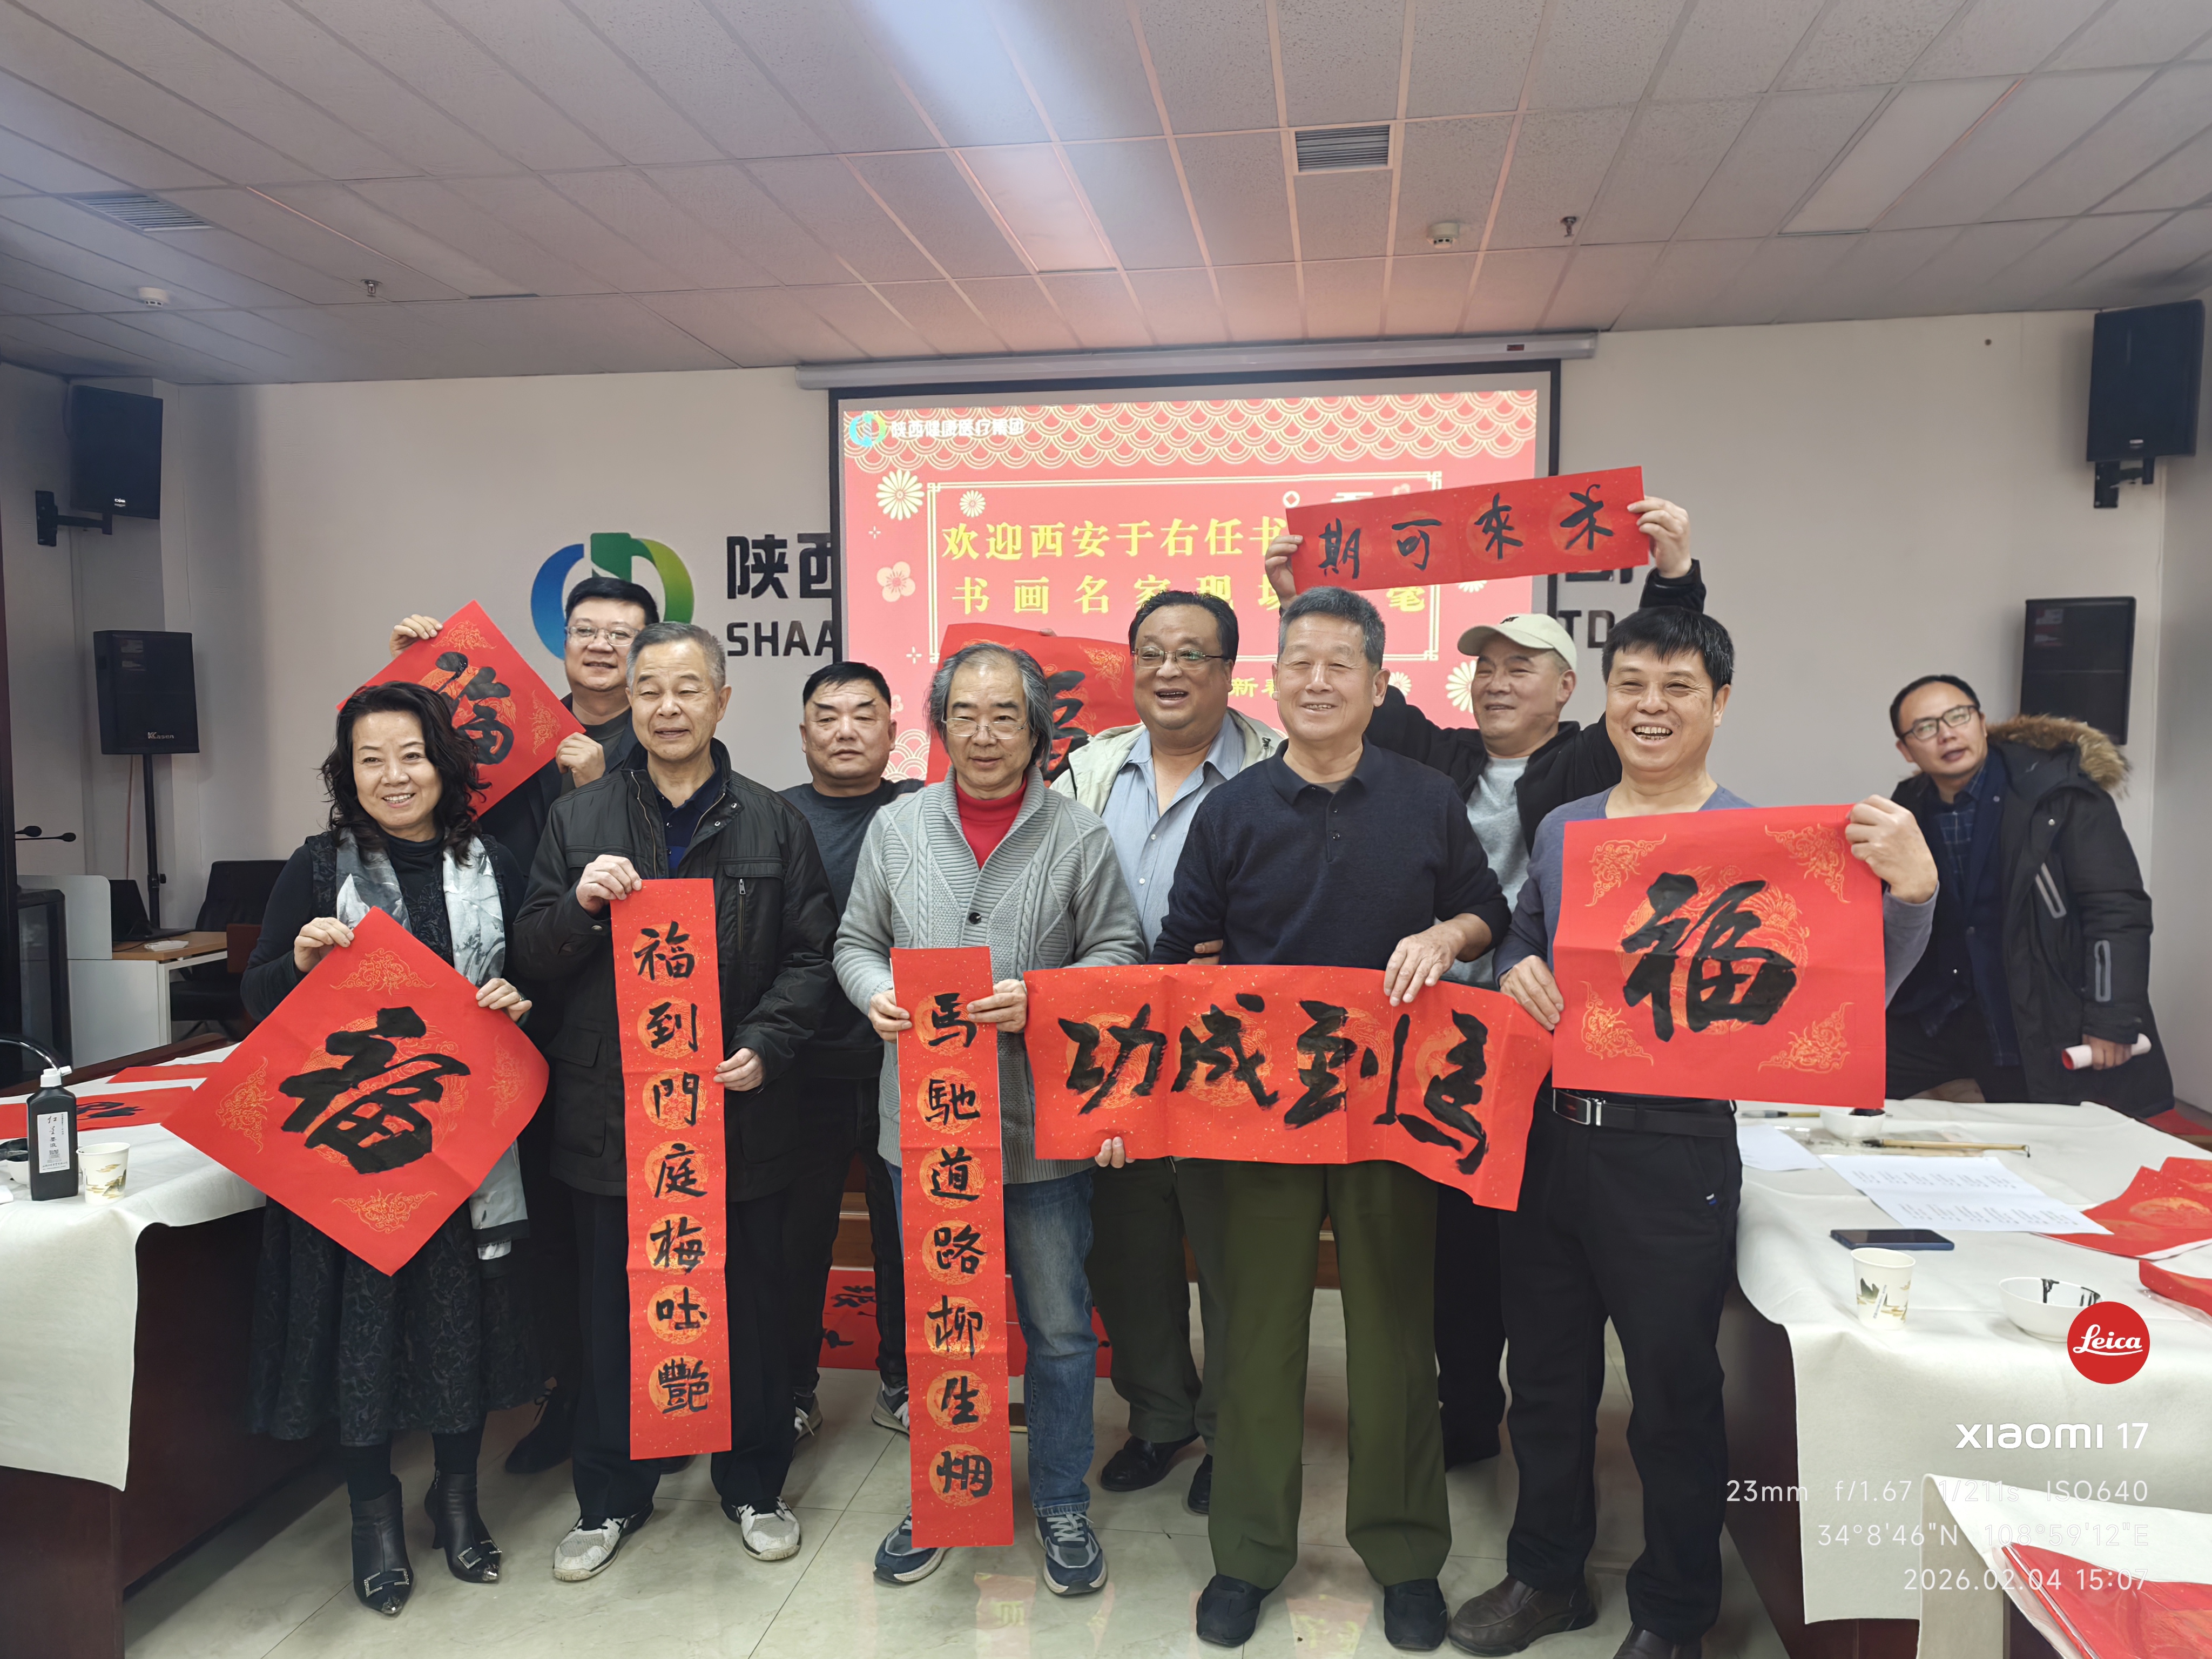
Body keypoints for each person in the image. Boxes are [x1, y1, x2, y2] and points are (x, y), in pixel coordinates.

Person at [1464, 608, 1936, 1659]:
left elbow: (1847, 992)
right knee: (1542, 1381)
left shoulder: (1763, 845)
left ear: (1719, 703)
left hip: (1674, 1151)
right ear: (1605, 697)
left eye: (1677, 686)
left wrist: (1912, 894)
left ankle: (1675, 1611)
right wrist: (1515, 967)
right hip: (1547, 1140)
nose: (1650, 705)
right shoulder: (1565, 827)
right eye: (1631, 683)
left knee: (1673, 1392)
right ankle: (1545, 1576)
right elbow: (1527, 940)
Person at [1266, 502, 1701, 1467]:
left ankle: (1544, 1416)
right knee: (1456, 1240)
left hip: (1550, 1033)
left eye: (1522, 667)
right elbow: (1352, 688)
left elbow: (1659, 679)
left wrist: (1674, 578)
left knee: (1528, 1235)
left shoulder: (1588, 757)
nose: (1498, 682)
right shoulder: (1440, 759)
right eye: (1486, 667)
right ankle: (1464, 1412)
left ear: (1567, 688)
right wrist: (1303, 597)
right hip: (1435, 1036)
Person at [1149, 586, 1510, 1653]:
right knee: (1256, 1339)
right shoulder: (1232, 810)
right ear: (1272, 681)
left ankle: (1404, 1555)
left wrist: (1445, 936)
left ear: (1378, 684)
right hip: (1258, 1116)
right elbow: (1179, 956)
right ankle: (1248, 1554)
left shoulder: (1424, 798)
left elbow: (1487, 908)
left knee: (1394, 1338)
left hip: (1391, 1112)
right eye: (1297, 663)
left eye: (1338, 664)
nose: (1315, 681)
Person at [512, 621, 838, 1582]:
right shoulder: (580, 819)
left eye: (688, 688)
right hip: (615, 1118)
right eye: (649, 688)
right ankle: (611, 1498)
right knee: (615, 1311)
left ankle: (755, 1486)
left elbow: (812, 956)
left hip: (737, 1112)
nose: (667, 707)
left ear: (722, 701)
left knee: (749, 1304)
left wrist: (766, 1043)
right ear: (630, 703)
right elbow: (530, 953)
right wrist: (579, 905)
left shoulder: (775, 822)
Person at [835, 641, 1144, 1596]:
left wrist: (1045, 999)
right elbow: (853, 941)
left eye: (1004, 715)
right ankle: (943, 1498)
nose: (983, 733)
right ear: (939, 726)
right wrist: (875, 991)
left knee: (1058, 1330)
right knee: (944, 1321)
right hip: (927, 1134)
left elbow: (1121, 951)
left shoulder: (1079, 835)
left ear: (1037, 729)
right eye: (964, 714)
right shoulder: (895, 827)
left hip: (1039, 1132)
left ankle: (1059, 1499)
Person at [242, 680, 542, 1618]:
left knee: (459, 1339)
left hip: (459, 1154)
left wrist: (518, 1000)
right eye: (370, 759)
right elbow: (253, 999)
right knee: (362, 1345)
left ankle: (457, 1504)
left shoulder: (495, 862)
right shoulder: (315, 867)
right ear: (348, 773)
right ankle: (372, 1520)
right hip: (351, 1162)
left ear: (442, 762)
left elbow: (537, 985)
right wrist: (296, 964)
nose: (393, 775)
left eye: (410, 754)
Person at [389, 572, 657, 1476]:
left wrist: (604, 786)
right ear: (562, 641)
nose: (602, 646)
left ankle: (641, 1405)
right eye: (587, 630)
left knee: (625, 1224)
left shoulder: (660, 739)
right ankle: (565, 1396)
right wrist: (421, 677)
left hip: (614, 1014)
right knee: (543, 1222)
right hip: (504, 1001)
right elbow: (414, 783)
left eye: (622, 634)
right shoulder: (510, 722)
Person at [1050, 588, 1281, 1516]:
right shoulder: (1088, 768)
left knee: (1235, 1253)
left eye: (1192, 653)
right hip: (1114, 1046)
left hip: (1232, 1052)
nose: (1169, 670)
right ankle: (1158, 1416)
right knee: (1126, 1246)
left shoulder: (1276, 766)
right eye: (1151, 652)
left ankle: (1231, 1431)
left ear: (1228, 670)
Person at [1884, 676, 2172, 1116]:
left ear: (1982, 722)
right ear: (1906, 749)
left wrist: (2112, 1018)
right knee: (1844, 1072)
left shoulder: (2059, 793)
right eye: (1925, 728)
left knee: (2040, 1136)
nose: (1947, 734)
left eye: (1958, 717)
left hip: (2031, 1011)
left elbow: (2116, 910)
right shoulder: (1907, 808)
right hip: (1941, 1012)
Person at [779, 662, 920, 1442]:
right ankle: (793, 1389)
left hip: (911, 1064)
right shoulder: (770, 816)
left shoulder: (924, 811)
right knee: (797, 1240)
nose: (845, 731)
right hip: (802, 1070)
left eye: (864, 715)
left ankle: (904, 1381)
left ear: (893, 731)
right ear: (803, 734)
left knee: (909, 1237)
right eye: (827, 717)